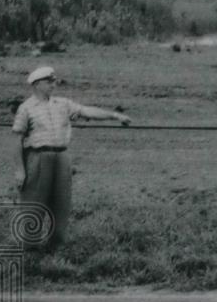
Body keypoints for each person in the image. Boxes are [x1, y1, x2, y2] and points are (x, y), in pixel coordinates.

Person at [13, 65, 132, 248]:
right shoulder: (26, 108)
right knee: (33, 203)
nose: (53, 85)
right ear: (36, 85)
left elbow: (87, 111)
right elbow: (16, 140)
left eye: (53, 82)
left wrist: (115, 116)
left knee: (61, 204)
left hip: (61, 158)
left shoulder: (63, 104)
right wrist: (20, 170)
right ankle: (30, 252)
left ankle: (55, 247)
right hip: (38, 157)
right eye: (48, 82)